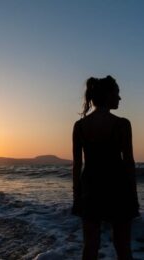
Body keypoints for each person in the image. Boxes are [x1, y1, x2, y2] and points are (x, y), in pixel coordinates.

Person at [72, 75, 140, 260]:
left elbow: (77, 166)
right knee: (123, 247)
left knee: (90, 246)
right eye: (117, 93)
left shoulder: (80, 126)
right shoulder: (122, 124)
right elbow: (129, 163)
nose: (119, 98)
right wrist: (134, 196)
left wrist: (77, 197)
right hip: (118, 187)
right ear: (108, 95)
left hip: (91, 188)